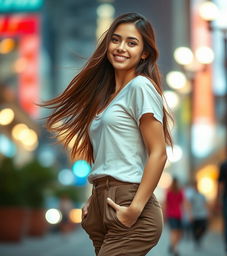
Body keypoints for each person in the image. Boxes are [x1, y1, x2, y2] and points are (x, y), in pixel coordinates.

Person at [41, 13, 173, 256]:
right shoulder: (108, 98)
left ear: (144, 53)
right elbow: (109, 154)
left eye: (131, 43)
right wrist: (95, 198)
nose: (121, 48)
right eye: (116, 40)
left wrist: (135, 209)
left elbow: (159, 153)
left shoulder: (140, 87)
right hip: (101, 206)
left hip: (129, 205)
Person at [165, 178, 184, 256]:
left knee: (176, 232)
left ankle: (172, 245)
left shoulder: (170, 192)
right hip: (175, 214)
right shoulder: (175, 192)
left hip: (174, 214)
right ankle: (175, 248)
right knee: (176, 232)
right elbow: (182, 203)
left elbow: (166, 204)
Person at [188, 181, 208, 249]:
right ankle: (196, 239)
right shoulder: (192, 196)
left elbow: (205, 204)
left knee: (203, 227)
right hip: (195, 215)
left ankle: (198, 237)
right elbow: (190, 205)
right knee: (195, 229)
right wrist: (190, 214)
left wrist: (207, 212)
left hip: (202, 214)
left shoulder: (202, 195)